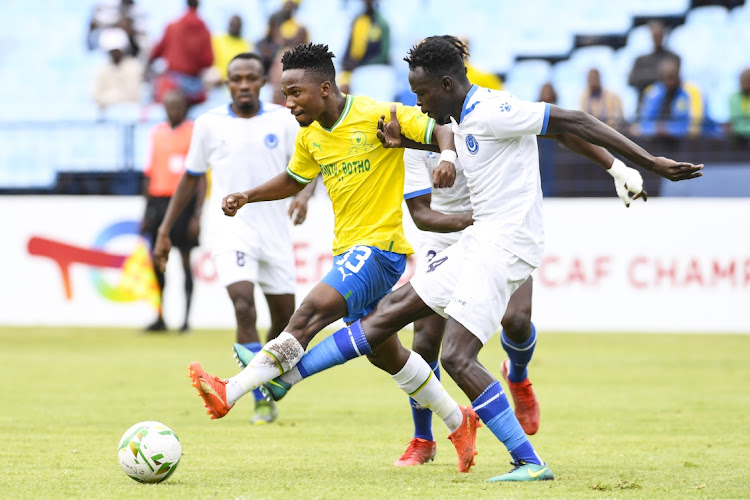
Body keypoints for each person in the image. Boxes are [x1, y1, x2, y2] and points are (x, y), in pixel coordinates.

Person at [215, 36, 703, 483]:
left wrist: (640, 163)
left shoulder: (491, 110)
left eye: (423, 93)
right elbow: (424, 205)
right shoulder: (433, 125)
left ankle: (529, 460)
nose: (418, 102)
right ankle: (289, 381)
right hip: (474, 239)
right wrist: (405, 143)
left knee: (459, 353)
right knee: (389, 318)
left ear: (446, 84)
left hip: (505, 242)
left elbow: (570, 122)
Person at [187, 43, 483, 474]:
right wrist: (247, 195)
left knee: (307, 314)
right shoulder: (310, 136)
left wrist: (450, 157)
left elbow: (439, 126)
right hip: (350, 250)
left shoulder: (376, 113)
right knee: (387, 356)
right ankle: (460, 422)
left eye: (294, 93)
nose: (287, 103)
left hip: (379, 250)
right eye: (284, 94)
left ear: (324, 88)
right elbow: (293, 179)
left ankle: (231, 391)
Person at [152, 53, 314, 424]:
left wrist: (304, 195)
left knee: (285, 320)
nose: (244, 85)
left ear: (261, 82)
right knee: (243, 306)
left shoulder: (283, 119)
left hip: (274, 232)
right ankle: (258, 396)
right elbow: (191, 177)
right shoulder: (208, 124)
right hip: (230, 229)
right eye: (236, 79)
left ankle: (266, 375)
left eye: (250, 78)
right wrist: (164, 231)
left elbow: (310, 164)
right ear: (227, 84)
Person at [140, 90, 201, 332]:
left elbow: (200, 177)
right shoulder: (157, 133)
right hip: (158, 202)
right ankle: (160, 317)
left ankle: (186, 320)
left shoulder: (193, 132)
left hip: (183, 204)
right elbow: (149, 173)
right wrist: (145, 212)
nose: (172, 110)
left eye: (176, 106)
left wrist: (197, 215)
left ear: (184, 108)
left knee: (185, 261)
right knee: (157, 262)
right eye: (168, 106)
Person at [148, 0, 213, 106]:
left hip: (173, 82)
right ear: (199, 4)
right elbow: (208, 60)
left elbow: (157, 52)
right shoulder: (204, 29)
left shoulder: (172, 26)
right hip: (195, 85)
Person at [636, 58, 706, 138]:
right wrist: (655, 129)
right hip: (657, 142)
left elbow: (694, 126)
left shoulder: (692, 91)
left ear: (678, 75)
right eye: (666, 78)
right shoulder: (653, 92)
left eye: (672, 77)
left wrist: (668, 129)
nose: (670, 82)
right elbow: (644, 122)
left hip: (686, 143)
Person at [339, 0, 391, 94]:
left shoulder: (382, 24)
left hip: (370, 71)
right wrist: (346, 62)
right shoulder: (357, 21)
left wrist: (361, 65)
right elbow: (349, 47)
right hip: (352, 69)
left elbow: (383, 54)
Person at [628, 20, 681, 112]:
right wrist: (660, 76)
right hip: (645, 110)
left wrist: (645, 75)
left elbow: (676, 81)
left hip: (670, 111)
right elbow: (631, 80)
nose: (657, 38)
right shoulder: (640, 60)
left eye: (660, 35)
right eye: (655, 35)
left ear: (664, 34)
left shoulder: (674, 58)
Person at [93, 27, 144, 111]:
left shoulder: (134, 67)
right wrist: (116, 97)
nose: (115, 54)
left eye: (117, 50)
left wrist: (109, 98)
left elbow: (132, 95)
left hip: (130, 113)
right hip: (107, 115)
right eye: (112, 51)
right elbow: (97, 96)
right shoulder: (102, 69)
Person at [209, 15, 251, 84]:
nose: (235, 27)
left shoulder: (246, 45)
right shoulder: (217, 39)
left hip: (235, 83)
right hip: (217, 82)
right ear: (229, 24)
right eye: (233, 24)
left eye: (237, 25)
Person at [729, 68, 750, 141]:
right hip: (738, 136)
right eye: (744, 80)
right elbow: (735, 120)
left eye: (748, 79)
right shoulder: (733, 97)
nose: (746, 82)